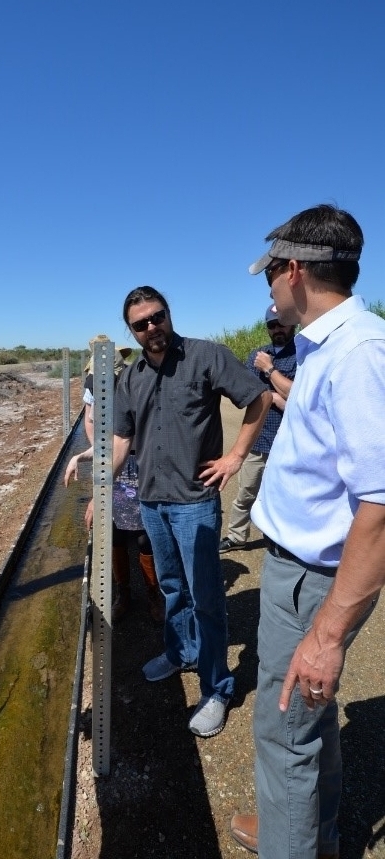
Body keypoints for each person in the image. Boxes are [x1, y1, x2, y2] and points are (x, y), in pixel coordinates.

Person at [230, 204, 385, 859]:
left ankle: (290, 840)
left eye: (269, 273)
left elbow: (381, 502)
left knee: (283, 732)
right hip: (298, 570)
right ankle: (307, 832)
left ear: (292, 269)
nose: (266, 287)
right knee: (307, 720)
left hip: (311, 580)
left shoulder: (357, 353)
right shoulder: (327, 345)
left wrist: (325, 634)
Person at [111, 286, 272, 737]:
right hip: (152, 500)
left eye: (156, 317)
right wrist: (99, 479)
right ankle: (180, 652)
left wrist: (235, 457)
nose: (151, 328)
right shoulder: (132, 376)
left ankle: (217, 687)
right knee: (170, 587)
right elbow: (123, 438)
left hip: (194, 503)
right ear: (132, 331)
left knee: (205, 597)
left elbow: (257, 399)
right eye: (140, 324)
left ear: (168, 314)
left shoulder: (206, 356)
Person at [64, 335, 166, 624]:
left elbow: (129, 438)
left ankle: (153, 593)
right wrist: (84, 455)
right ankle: (124, 592)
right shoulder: (94, 384)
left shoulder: (138, 385)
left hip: (140, 464)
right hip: (114, 464)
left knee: (147, 532)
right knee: (115, 531)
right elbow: (96, 427)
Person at [219, 303, 296, 552]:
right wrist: (275, 395)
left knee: (286, 496)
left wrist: (269, 371)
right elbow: (249, 396)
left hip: (289, 442)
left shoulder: (303, 355)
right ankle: (236, 536)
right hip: (258, 439)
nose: (277, 329)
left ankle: (283, 540)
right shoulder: (256, 354)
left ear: (291, 323)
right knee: (245, 493)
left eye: (281, 323)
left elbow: (300, 401)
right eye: (272, 325)